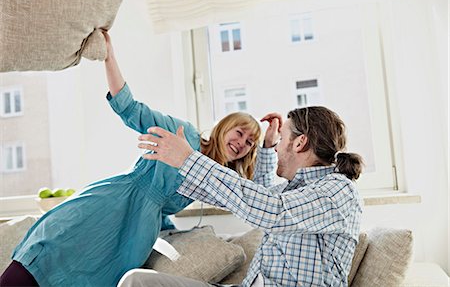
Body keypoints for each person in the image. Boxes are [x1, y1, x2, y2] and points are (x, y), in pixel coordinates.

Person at [0, 33, 279, 287]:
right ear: (224, 126)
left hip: (134, 237)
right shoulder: (183, 134)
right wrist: (110, 57)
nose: (241, 143)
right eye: (240, 133)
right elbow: (131, 109)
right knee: (43, 255)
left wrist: (268, 145)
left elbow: (259, 197)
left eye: (249, 143)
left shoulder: (215, 179)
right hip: (105, 206)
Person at [122, 106, 364, 286]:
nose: (278, 147)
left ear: (300, 143)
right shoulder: (297, 191)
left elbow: (271, 211)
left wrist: (189, 159)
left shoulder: (338, 190)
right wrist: (267, 147)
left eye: (281, 140)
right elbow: (258, 198)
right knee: (138, 282)